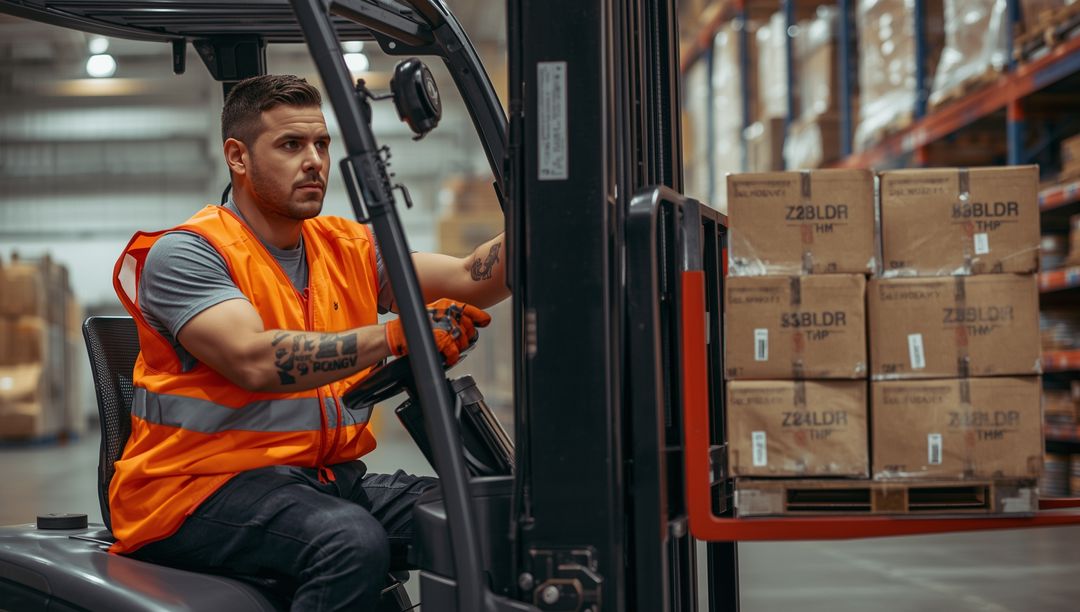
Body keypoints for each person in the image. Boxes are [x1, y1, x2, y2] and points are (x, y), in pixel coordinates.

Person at [109, 74, 508, 610]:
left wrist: (554, 203)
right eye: (291, 145)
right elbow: (255, 360)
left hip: (318, 480)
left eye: (321, 144)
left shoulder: (346, 247)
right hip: (195, 493)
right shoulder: (188, 253)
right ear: (238, 157)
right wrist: (399, 334)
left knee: (493, 513)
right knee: (349, 542)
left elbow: (467, 276)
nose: (314, 161)